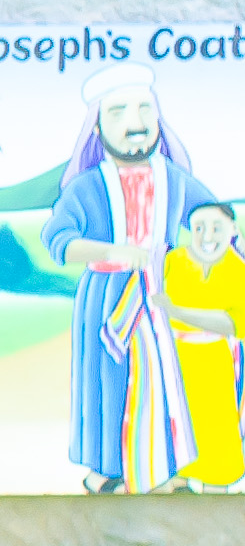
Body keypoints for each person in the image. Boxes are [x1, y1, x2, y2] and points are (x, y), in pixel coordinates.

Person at [46, 67, 211, 493]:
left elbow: (212, 218)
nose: (135, 124)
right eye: (118, 112)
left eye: (144, 110)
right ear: (98, 128)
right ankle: (110, 471)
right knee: (110, 382)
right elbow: (58, 239)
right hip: (108, 298)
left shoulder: (174, 179)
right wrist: (112, 253)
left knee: (176, 377)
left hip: (164, 294)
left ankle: (171, 466)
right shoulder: (85, 188)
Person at [165, 199, 245, 491]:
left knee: (215, 426)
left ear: (233, 229)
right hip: (173, 359)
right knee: (174, 422)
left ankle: (216, 487)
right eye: (199, 228)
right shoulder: (173, 262)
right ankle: (177, 482)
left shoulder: (238, 270)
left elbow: (234, 322)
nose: (206, 236)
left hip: (215, 360)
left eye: (215, 227)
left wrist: (180, 313)